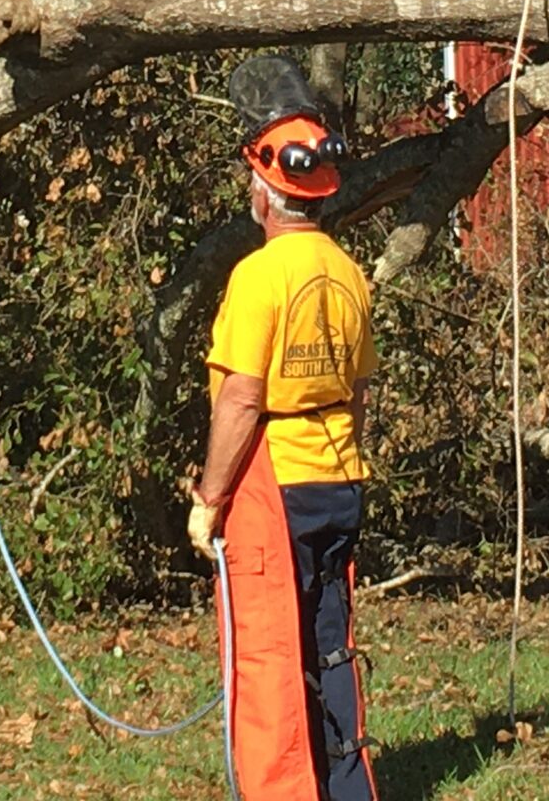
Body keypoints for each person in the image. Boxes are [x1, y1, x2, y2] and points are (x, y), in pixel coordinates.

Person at [189, 54, 380, 801]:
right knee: (330, 647)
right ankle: (346, 786)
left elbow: (240, 401)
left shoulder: (259, 277)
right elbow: (360, 391)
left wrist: (209, 497)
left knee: (271, 656)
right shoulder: (347, 272)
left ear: (265, 189)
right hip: (339, 482)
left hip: (277, 488)